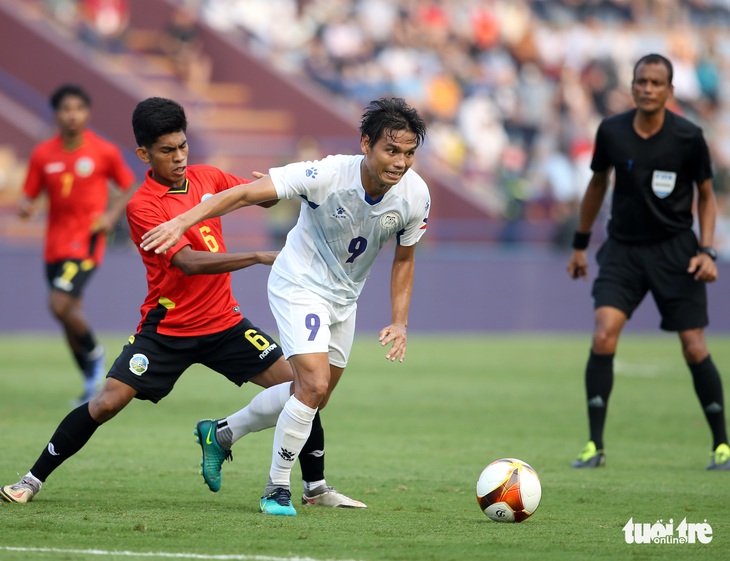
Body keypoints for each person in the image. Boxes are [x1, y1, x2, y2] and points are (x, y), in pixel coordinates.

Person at [0, 97, 362, 508]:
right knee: (106, 403)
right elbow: (188, 262)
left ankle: (315, 487)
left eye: (183, 146)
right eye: (167, 150)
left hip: (225, 324)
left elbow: (256, 196)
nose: (179, 158)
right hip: (168, 330)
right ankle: (31, 480)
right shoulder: (143, 206)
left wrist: (271, 188)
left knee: (304, 388)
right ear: (144, 154)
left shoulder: (207, 177)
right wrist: (258, 256)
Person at [140, 97, 431, 515]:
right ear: (366, 144)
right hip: (299, 283)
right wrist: (185, 220)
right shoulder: (327, 173)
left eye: (409, 153)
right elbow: (244, 194)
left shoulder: (416, 195)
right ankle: (277, 488)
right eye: (392, 150)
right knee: (311, 385)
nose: (400, 162)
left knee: (314, 396)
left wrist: (400, 321)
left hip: (343, 299)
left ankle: (221, 434)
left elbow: (405, 257)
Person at [566, 54, 729, 471]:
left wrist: (708, 251)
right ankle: (593, 446)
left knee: (693, 346)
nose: (648, 88)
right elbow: (598, 185)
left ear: (670, 90)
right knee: (604, 334)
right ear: (633, 85)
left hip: (676, 249)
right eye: (641, 81)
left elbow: (707, 197)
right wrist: (581, 245)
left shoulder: (689, 137)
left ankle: (722, 446)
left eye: (657, 82)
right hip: (623, 249)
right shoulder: (612, 132)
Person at [18, 84, 136, 405]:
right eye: (66, 109)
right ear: (56, 114)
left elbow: (128, 185)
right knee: (69, 313)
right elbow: (28, 195)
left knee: (58, 304)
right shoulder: (43, 153)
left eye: (79, 108)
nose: (73, 115)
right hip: (54, 245)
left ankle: (96, 353)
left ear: (87, 113)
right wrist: (26, 207)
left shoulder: (103, 151)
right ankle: (90, 383)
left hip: (86, 240)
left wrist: (111, 215)